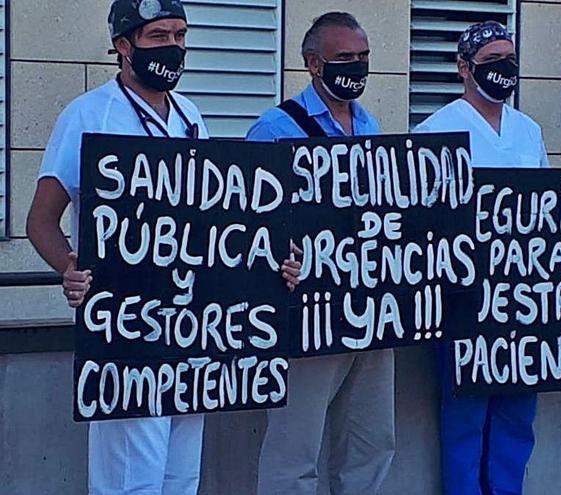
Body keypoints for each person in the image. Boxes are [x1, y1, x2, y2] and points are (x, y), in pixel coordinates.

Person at [26, 1, 207, 494]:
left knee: (181, 477)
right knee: (131, 478)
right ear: (123, 47)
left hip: (192, 328)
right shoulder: (88, 114)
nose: (173, 47)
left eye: (180, 34)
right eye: (157, 37)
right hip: (126, 328)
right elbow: (41, 220)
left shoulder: (191, 116)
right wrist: (70, 266)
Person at [247, 12, 395, 495]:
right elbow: (246, 220)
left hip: (373, 309)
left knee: (371, 443)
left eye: (364, 58)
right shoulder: (274, 127)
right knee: (295, 449)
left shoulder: (371, 126)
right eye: (344, 58)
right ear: (313, 64)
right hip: (304, 313)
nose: (357, 67)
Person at [414, 21, 549, 495]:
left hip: (521, 300)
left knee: (517, 415)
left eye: (509, 60)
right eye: (491, 61)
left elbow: (552, 212)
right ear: (464, 68)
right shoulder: (436, 130)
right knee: (465, 416)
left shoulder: (529, 131)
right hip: (464, 300)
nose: (503, 70)